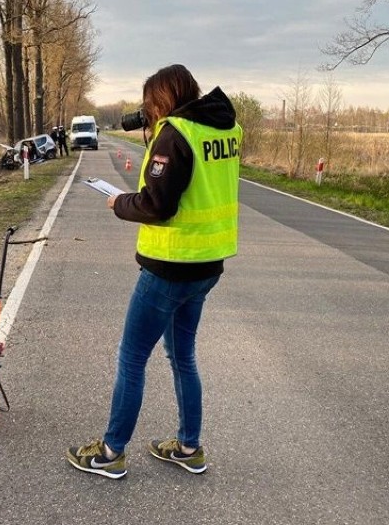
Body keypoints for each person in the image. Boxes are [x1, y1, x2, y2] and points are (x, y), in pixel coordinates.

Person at [66, 64, 242, 479]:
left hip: (169, 266)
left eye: (151, 103)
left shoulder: (175, 133)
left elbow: (157, 205)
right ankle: (188, 446)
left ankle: (110, 453)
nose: (148, 111)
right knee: (183, 356)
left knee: (132, 357)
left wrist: (120, 203)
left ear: (162, 98)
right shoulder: (225, 130)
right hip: (207, 264)